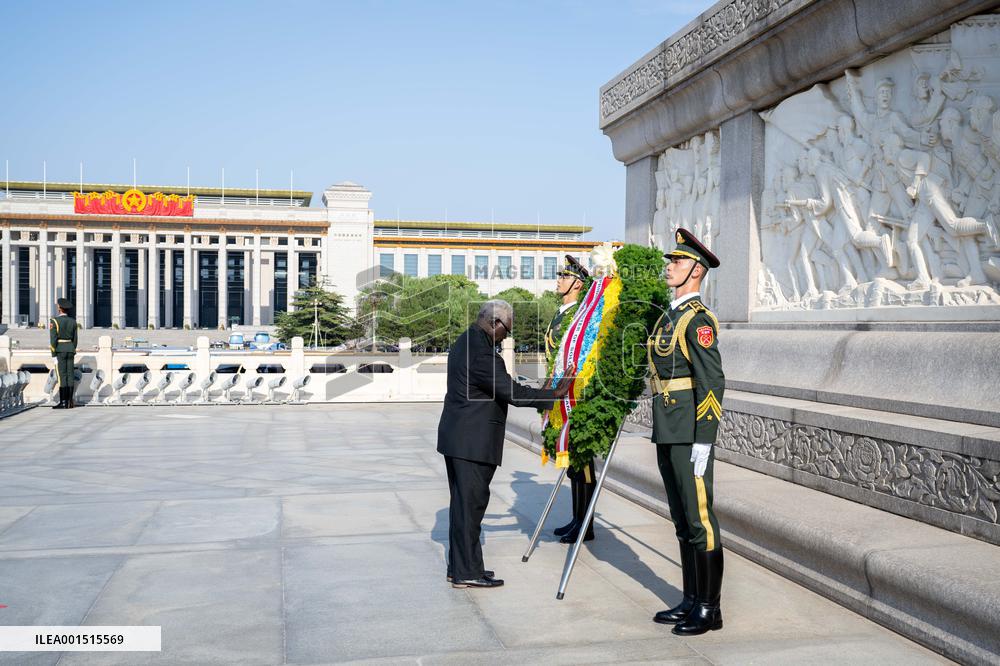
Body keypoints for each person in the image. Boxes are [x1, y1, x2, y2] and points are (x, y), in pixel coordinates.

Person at [438, 299, 574, 589]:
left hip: (460, 438)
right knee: (469, 508)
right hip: (471, 442)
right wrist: (553, 394)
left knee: (464, 508)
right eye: (507, 331)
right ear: (494, 323)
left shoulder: (467, 340)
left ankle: (462, 567)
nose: (507, 336)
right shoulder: (482, 353)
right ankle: (466, 572)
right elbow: (511, 391)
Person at [647, 229, 725, 635]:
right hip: (668, 428)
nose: (670, 267)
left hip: (689, 432)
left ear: (696, 270)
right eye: (671, 261)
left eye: (676, 262)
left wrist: (704, 439)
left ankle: (710, 607)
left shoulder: (698, 321)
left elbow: (712, 383)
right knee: (681, 519)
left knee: (700, 521)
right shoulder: (670, 316)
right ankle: (692, 598)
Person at [544, 255, 596, 544]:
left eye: (564, 277)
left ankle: (585, 524)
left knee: (583, 462)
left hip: (575, 397)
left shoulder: (579, 315)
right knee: (573, 464)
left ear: (577, 283)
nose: (559, 280)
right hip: (559, 395)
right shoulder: (561, 312)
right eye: (560, 276)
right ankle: (578, 518)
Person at [49, 297, 79, 409]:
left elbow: (53, 340)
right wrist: (72, 348)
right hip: (70, 349)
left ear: (60, 308)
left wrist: (53, 354)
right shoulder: (73, 321)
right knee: (70, 375)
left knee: (62, 376)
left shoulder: (55, 321)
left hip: (60, 350)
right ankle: (70, 402)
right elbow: (75, 339)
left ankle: (63, 402)